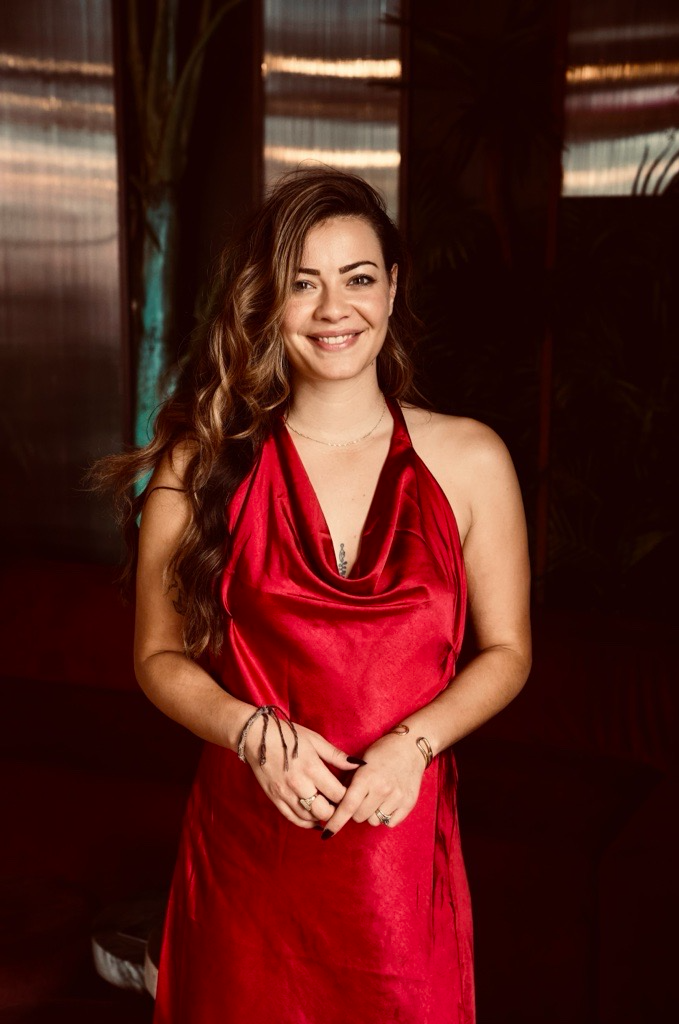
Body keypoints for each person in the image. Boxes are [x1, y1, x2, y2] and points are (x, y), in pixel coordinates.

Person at [100, 167, 531, 1023]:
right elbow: (155, 657)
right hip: (246, 867)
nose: (335, 309)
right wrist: (250, 733)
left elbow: (508, 652)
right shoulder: (201, 462)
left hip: (397, 876)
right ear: (268, 301)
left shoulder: (471, 459)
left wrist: (416, 743)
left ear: (393, 287)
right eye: (304, 283)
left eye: (358, 278)